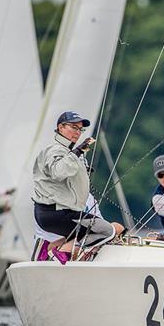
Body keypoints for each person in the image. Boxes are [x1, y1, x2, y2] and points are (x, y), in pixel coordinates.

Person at [32, 111, 123, 264]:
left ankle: (47, 248)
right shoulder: (55, 150)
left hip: (57, 213)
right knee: (107, 231)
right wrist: (78, 152)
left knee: (84, 232)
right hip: (56, 213)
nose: (77, 132)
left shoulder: (67, 152)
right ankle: (60, 253)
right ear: (60, 127)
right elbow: (58, 172)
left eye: (80, 129)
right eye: (74, 127)